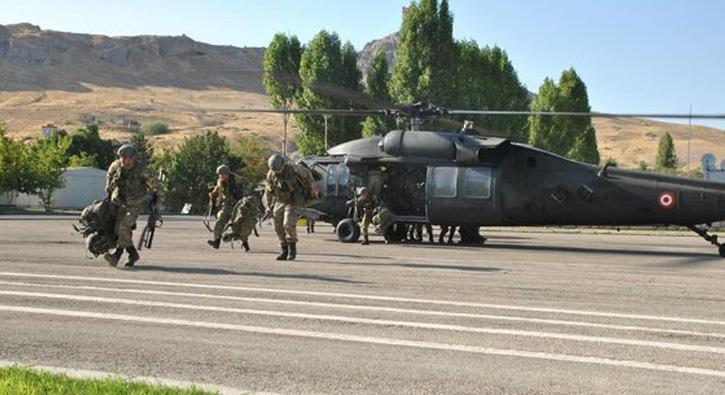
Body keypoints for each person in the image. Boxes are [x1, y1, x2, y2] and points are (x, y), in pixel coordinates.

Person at [104, 144, 163, 267]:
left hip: (136, 203)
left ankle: (116, 256)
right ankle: (133, 254)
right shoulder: (115, 167)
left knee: (124, 227)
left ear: (134, 158)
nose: (126, 160)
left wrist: (158, 202)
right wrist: (112, 188)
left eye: (130, 157)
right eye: (123, 157)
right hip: (120, 202)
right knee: (118, 229)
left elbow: (157, 186)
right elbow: (108, 185)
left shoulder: (142, 170)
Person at [264, 154, 305, 261]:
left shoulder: (294, 169)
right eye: (275, 170)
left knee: (288, 224)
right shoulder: (271, 175)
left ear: (283, 165)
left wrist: (314, 188)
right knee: (277, 226)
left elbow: (308, 174)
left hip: (293, 200)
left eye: (279, 169)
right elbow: (268, 191)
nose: (277, 172)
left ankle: (292, 251)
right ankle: (284, 250)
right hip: (280, 201)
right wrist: (268, 206)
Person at [207, 164, 243, 249]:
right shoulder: (220, 181)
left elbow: (242, 194)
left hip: (237, 207)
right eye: (219, 175)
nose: (220, 176)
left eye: (222, 174)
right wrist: (212, 194)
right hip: (226, 206)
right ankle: (217, 241)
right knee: (220, 221)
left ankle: (244, 242)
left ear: (227, 173)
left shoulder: (236, 181)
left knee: (238, 227)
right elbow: (217, 189)